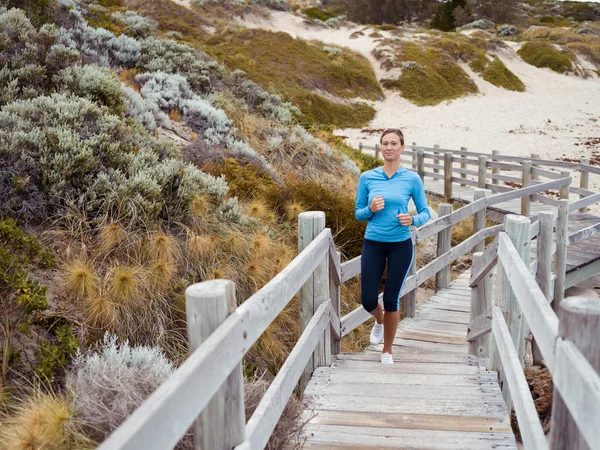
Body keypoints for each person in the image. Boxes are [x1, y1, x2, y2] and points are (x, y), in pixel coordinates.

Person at [354, 128, 430, 364]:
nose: (389, 147)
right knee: (368, 299)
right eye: (385, 143)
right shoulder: (368, 177)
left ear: (402, 147)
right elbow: (358, 213)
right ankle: (379, 320)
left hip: (400, 245)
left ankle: (387, 350)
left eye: (394, 143)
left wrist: (413, 220)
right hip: (373, 243)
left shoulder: (412, 179)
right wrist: (371, 210)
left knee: (391, 299)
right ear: (381, 147)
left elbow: (425, 212)